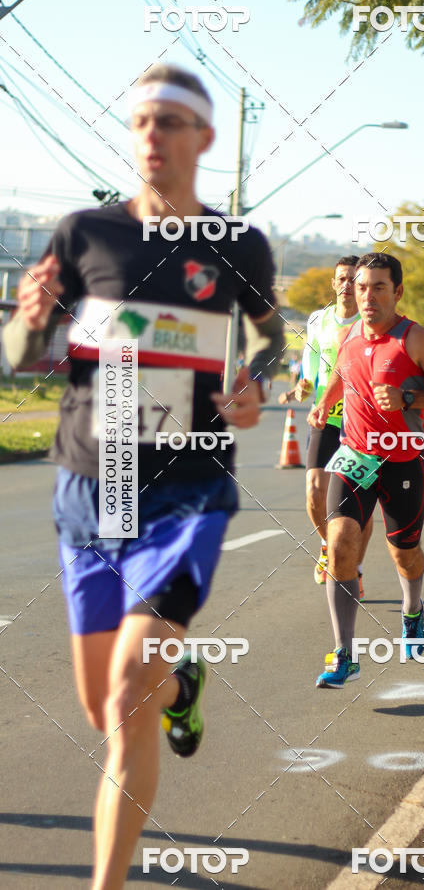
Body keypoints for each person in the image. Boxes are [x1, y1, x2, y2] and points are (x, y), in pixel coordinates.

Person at [3, 63, 284, 890]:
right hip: (91, 483)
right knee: (104, 708)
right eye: (141, 123)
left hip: (186, 489)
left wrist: (255, 380)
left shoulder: (239, 246)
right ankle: (182, 681)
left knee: (126, 697)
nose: (153, 135)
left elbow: (269, 337)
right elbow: (21, 359)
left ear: (204, 136)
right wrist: (23, 325)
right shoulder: (83, 233)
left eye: (170, 121)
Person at [308, 252, 424, 688]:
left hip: (402, 460)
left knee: (405, 554)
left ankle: (412, 612)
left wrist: (411, 400)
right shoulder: (351, 333)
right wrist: (324, 401)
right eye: (361, 287)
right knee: (339, 545)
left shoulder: (416, 340)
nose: (368, 296)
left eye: (378, 287)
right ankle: (344, 654)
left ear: (397, 292)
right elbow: (343, 371)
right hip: (355, 456)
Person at [294, 256, 372, 594]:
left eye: (352, 279)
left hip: (361, 420)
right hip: (325, 416)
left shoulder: (370, 322)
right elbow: (310, 362)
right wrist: (304, 385)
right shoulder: (317, 320)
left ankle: (352, 566)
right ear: (334, 283)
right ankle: (331, 549)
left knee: (359, 503)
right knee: (314, 491)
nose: (345, 284)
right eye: (341, 278)